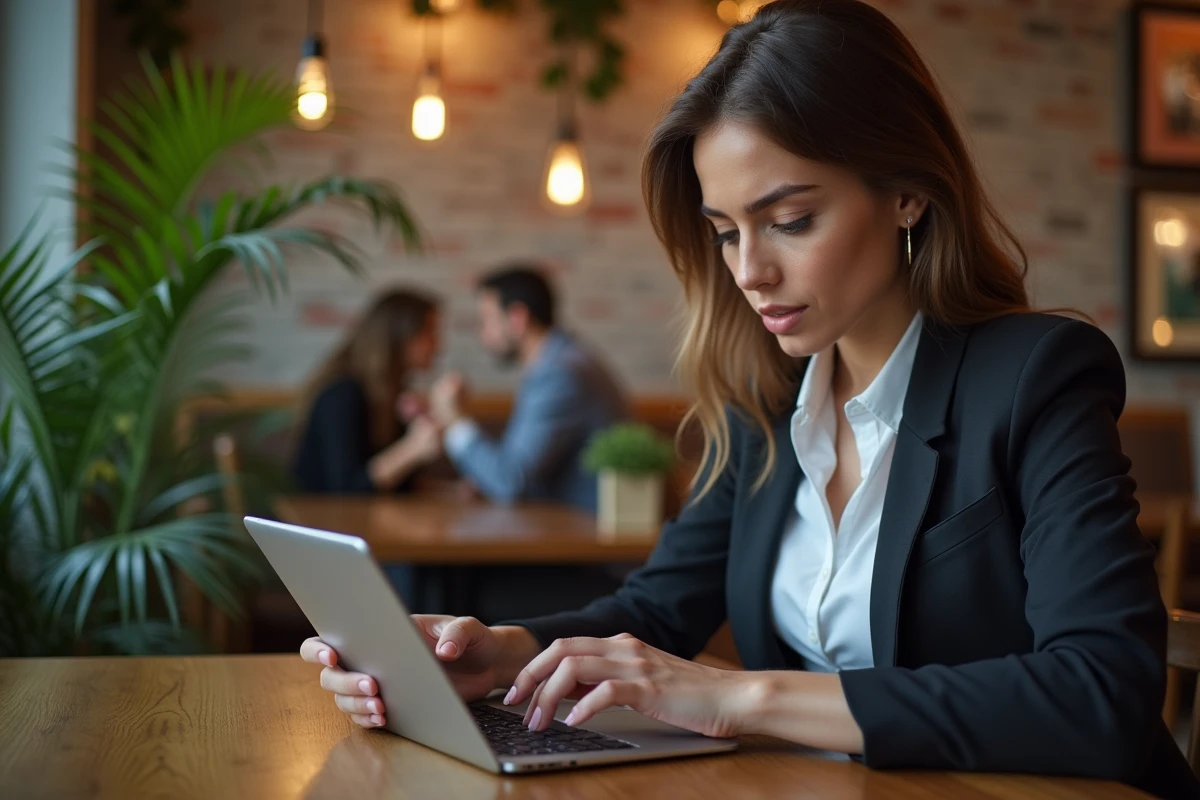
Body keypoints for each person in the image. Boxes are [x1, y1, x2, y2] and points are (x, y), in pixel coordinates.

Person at [299, 2, 1198, 797]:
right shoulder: (766, 401)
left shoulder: (1036, 375)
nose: (750, 272)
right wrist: (498, 652)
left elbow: (1103, 693)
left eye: (792, 221)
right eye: (726, 232)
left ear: (909, 194)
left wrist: (740, 695)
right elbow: (655, 613)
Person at [428, 266, 628, 512]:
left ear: (517, 318)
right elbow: (521, 473)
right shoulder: (561, 360)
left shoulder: (558, 374)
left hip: (585, 534)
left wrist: (455, 421)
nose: (483, 335)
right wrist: (485, 479)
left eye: (487, 320)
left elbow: (511, 481)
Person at [292, 289, 443, 494]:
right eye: (428, 332)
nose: (438, 344)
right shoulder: (342, 395)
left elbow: (399, 486)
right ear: (399, 335)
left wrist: (446, 490)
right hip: (315, 522)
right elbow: (346, 489)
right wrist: (413, 448)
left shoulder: (396, 397)